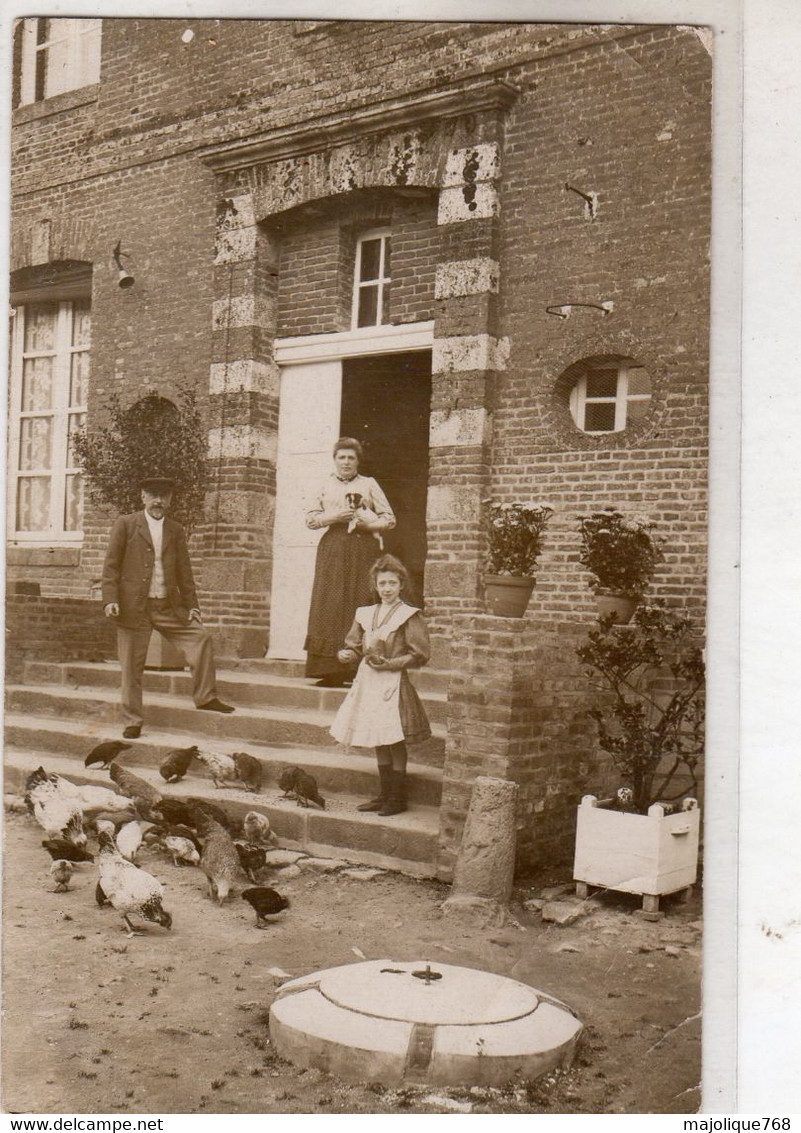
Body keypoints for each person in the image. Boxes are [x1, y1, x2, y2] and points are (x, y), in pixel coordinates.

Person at [101, 475, 234, 739]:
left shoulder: (175, 530)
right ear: (143, 497)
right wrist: (110, 599)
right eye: (152, 495)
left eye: (163, 496)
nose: (158, 501)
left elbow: (185, 572)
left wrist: (192, 606)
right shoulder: (126, 525)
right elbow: (111, 566)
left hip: (167, 607)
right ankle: (132, 720)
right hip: (133, 609)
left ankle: (206, 696)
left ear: (170, 500)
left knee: (201, 638)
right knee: (130, 667)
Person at [330, 554, 431, 816]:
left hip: (392, 682)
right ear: (375, 585)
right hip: (368, 681)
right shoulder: (365, 613)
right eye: (382, 583)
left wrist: (391, 664)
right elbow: (353, 644)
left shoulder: (409, 615)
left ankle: (397, 798)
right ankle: (384, 794)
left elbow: (419, 653)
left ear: (401, 585)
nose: (387, 589)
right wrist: (347, 654)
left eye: (392, 583)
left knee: (393, 738)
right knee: (378, 737)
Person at [304, 437, 395, 688]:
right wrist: (334, 516)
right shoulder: (324, 484)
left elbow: (389, 518)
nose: (346, 462)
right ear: (335, 460)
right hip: (333, 545)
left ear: (358, 461)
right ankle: (328, 669)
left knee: (360, 600)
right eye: (341, 457)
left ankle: (357, 669)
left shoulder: (368, 484)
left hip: (361, 547)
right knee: (329, 601)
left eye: (351, 458)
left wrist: (369, 524)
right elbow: (310, 519)